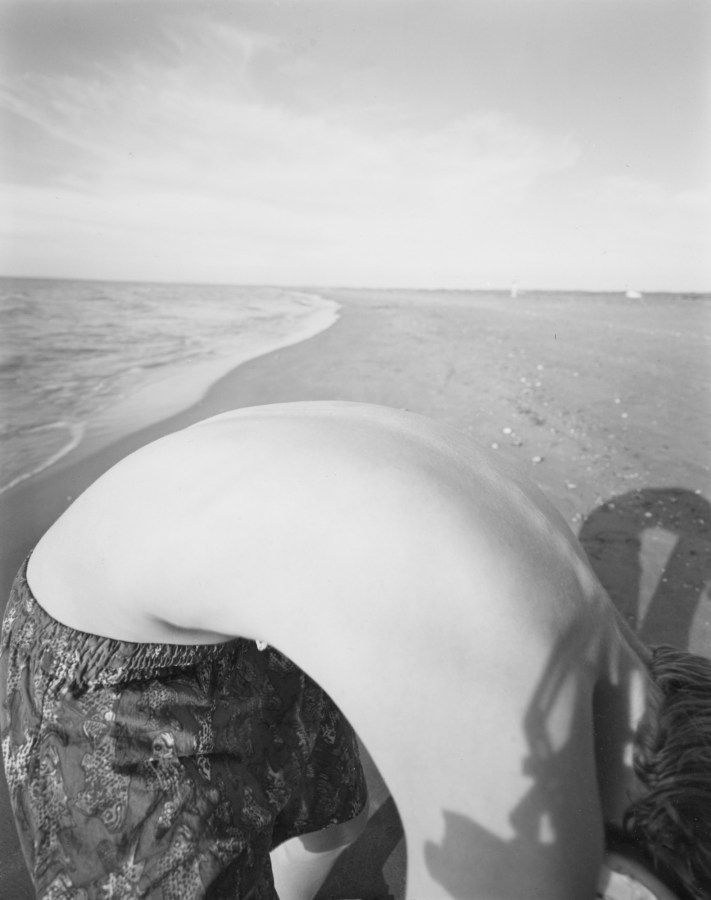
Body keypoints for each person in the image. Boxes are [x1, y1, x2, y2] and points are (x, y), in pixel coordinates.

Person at [1, 401, 709, 900]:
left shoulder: (586, 627)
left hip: (245, 594)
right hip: (94, 635)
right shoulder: (510, 699)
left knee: (325, 819)